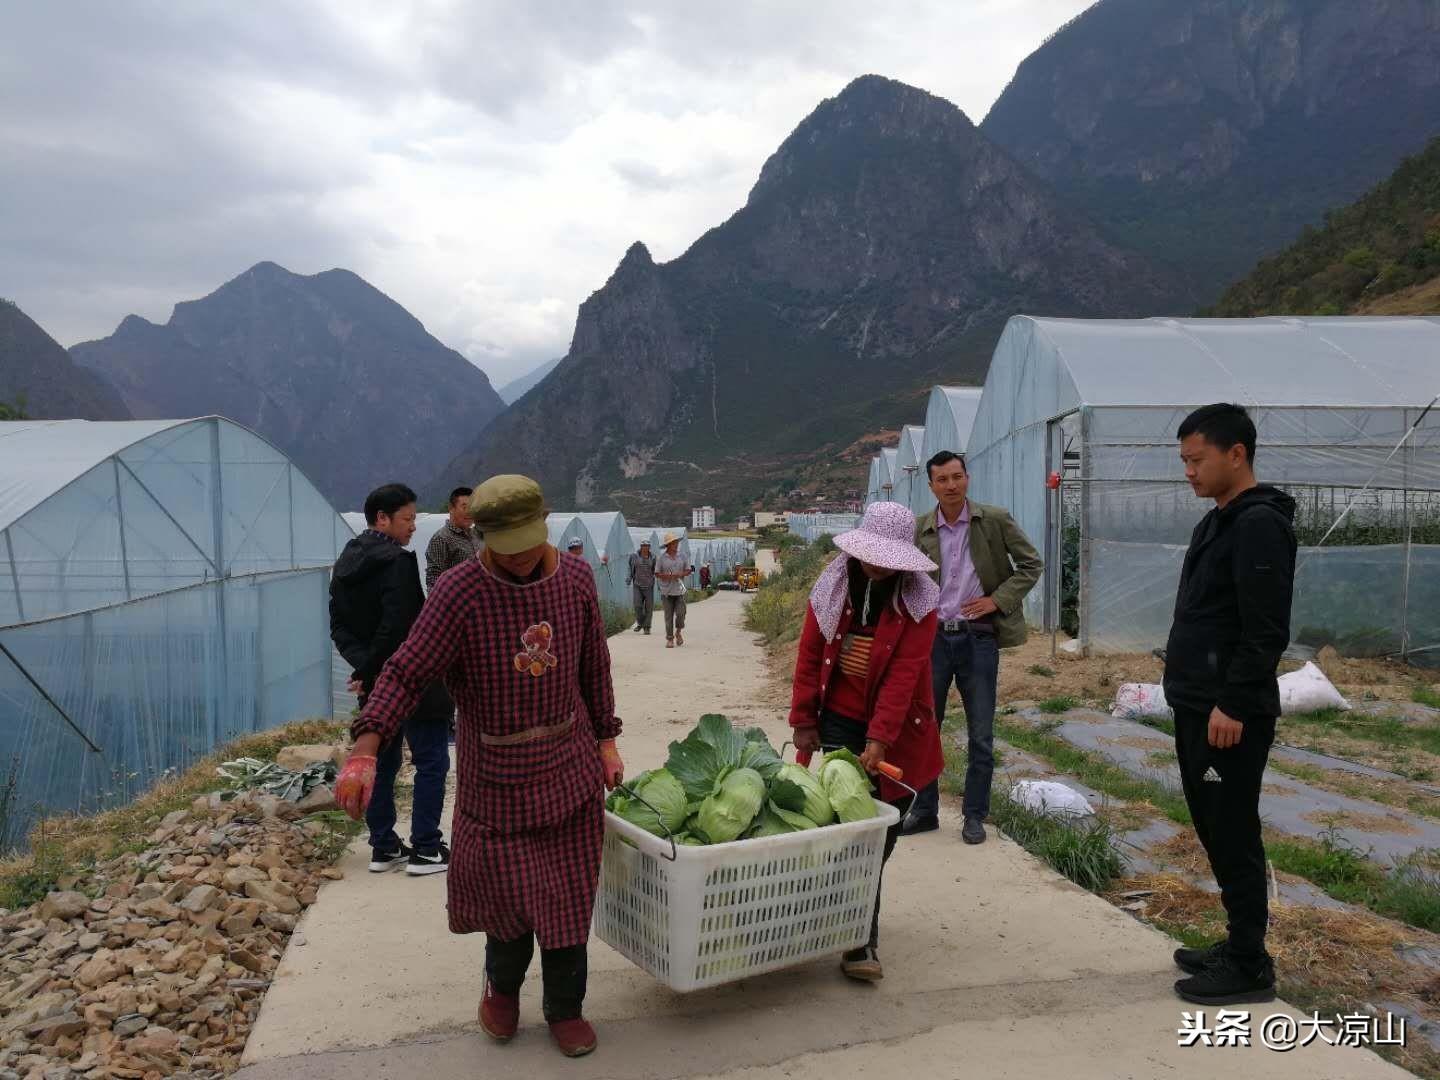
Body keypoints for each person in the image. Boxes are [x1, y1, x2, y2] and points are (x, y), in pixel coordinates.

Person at [335, 475, 625, 1058]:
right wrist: (366, 745)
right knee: (507, 898)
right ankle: (502, 989)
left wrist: (606, 740)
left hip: (568, 768)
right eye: (504, 549)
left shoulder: (573, 581)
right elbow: (406, 670)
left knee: (568, 896)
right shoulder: (460, 591)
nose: (518, 561)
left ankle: (566, 1007)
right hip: (495, 776)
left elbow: (594, 666)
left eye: (527, 545)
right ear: (482, 536)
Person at [1164, 404, 1295, 1007]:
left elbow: (1264, 629)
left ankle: (1249, 964)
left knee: (1233, 829)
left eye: (1197, 460)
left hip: (1227, 716)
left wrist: (1234, 704)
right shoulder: (1218, 521)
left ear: (1235, 454)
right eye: (1185, 461)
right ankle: (1238, 942)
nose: (1188, 471)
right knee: (1213, 826)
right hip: (1197, 706)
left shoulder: (1258, 525)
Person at [789, 501, 943, 982]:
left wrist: (879, 738)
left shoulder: (919, 602)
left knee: (883, 830)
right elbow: (811, 654)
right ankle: (859, 941)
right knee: (851, 825)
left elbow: (903, 676)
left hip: (896, 728)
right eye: (870, 555)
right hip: (838, 719)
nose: (876, 565)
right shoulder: (833, 587)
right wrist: (803, 720)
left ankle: (849, 916)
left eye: (886, 558)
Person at [905, 451, 1043, 843]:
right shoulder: (920, 530)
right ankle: (926, 809)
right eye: (942, 480)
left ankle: (974, 815)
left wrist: (996, 600)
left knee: (980, 732)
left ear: (967, 478)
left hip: (977, 637)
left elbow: (1031, 564)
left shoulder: (993, 521)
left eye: (957, 477)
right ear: (930, 486)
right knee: (925, 727)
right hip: (931, 639)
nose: (951, 485)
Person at [329, 483, 452, 876]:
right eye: (408, 518)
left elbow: (339, 626)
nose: (413, 526)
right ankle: (427, 848)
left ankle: (383, 845)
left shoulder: (346, 561)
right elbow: (402, 629)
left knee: (381, 760)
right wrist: (383, 668)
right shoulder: (397, 562)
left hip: (373, 683)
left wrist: (366, 670)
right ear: (382, 518)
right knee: (431, 758)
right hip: (413, 678)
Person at [425, 486, 483, 592]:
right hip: (458, 603)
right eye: (464, 507)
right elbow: (433, 580)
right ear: (451, 508)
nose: (469, 512)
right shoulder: (441, 538)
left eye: (472, 507)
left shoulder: (475, 534)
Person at [656, 532, 689, 648]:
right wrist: (668, 576)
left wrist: (681, 574)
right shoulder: (661, 558)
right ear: (668, 545)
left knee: (681, 613)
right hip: (666, 591)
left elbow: (688, 570)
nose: (676, 545)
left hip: (679, 590)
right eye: (673, 543)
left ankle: (678, 632)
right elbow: (657, 573)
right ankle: (670, 639)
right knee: (668, 616)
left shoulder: (682, 556)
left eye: (676, 542)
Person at [626, 540, 656, 634]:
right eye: (643, 546)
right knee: (637, 605)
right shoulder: (634, 556)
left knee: (649, 607)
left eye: (647, 546)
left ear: (649, 547)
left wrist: (660, 584)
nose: (645, 547)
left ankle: (647, 627)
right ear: (640, 546)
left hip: (649, 585)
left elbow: (656, 571)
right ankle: (641, 623)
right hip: (637, 585)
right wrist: (629, 578)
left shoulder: (653, 557)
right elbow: (630, 568)